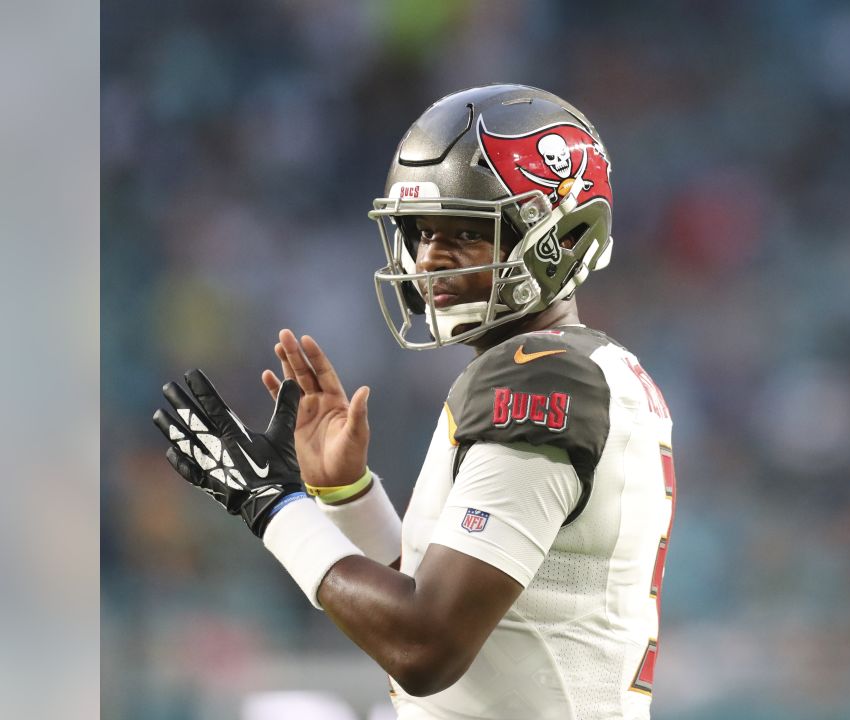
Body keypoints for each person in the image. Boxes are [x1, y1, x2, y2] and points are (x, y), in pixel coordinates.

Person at [152, 84, 677, 719]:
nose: (431, 257)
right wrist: (347, 496)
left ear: (555, 238)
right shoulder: (582, 369)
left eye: (465, 232)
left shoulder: (540, 378)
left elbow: (425, 646)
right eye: (423, 231)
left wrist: (272, 505)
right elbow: (455, 597)